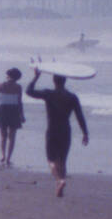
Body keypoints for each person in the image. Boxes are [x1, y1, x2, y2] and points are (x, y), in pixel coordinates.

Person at [26, 69, 88, 197]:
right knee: (63, 160)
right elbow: (79, 116)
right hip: (65, 130)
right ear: (65, 81)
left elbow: (29, 91)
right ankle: (60, 187)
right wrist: (85, 133)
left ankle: (60, 180)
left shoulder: (49, 94)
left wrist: (36, 77)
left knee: (51, 159)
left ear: (54, 81)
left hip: (52, 130)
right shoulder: (72, 97)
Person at [0, 68, 26, 167]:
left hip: (2, 110)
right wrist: (22, 115)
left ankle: (3, 155)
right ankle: (8, 158)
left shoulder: (0, 85)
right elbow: (19, 102)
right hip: (14, 110)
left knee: (3, 136)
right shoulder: (18, 87)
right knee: (12, 137)